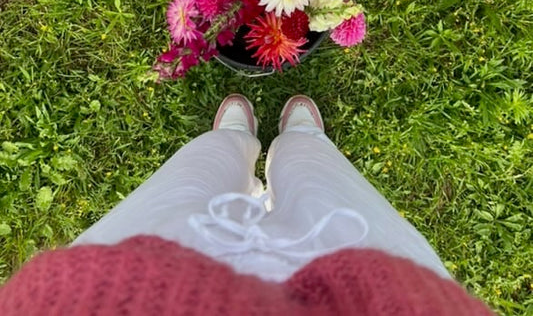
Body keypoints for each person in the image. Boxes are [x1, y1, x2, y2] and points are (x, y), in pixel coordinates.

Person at [0, 94, 494, 315]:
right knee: (321, 185)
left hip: (125, 285)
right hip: (375, 296)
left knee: (191, 181)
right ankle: (299, 143)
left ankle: (233, 145)